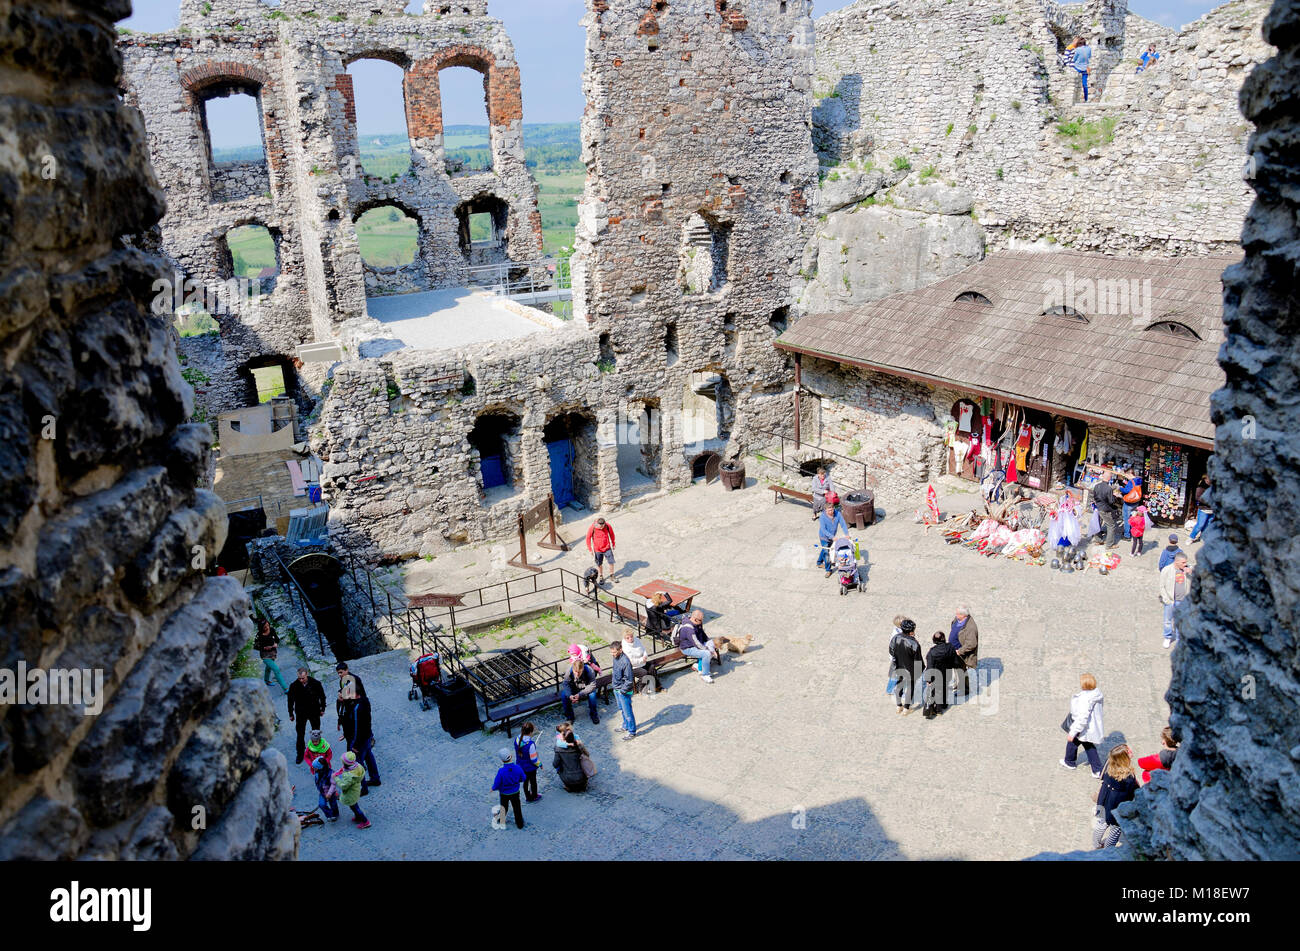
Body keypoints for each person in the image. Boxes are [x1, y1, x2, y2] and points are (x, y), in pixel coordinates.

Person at [1093, 745, 1139, 849]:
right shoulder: (1129, 778)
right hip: (1117, 807)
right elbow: (1132, 794)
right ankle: (1108, 850)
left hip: (1104, 801)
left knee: (1101, 824)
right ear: (1124, 758)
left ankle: (1096, 845)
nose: (1131, 751)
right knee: (1115, 830)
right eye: (1129, 751)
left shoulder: (1109, 766)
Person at [1060, 673, 1106, 777]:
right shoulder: (1096, 694)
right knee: (1083, 744)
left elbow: (1082, 718)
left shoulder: (1085, 699)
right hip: (1089, 727)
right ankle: (1071, 761)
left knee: (1078, 742)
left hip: (1084, 727)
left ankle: (1094, 769)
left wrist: (1073, 732)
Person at [339, 680, 381, 793]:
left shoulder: (357, 708)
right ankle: (375, 778)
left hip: (360, 740)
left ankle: (363, 788)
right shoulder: (364, 700)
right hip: (367, 736)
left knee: (357, 764)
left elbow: (358, 727)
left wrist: (356, 745)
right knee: (369, 756)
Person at [287, 667, 327, 765]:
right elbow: (290, 700)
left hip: (314, 712)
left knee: (316, 732)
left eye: (303, 678)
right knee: (300, 734)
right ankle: (300, 753)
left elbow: (322, 696)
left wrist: (322, 709)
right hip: (301, 713)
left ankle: (317, 750)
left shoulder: (316, 683)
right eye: (299, 678)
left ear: (307, 675)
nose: (301, 680)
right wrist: (291, 713)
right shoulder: (294, 686)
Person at [922, 632, 962, 719]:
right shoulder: (950, 647)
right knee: (945, 688)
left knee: (936, 691)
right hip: (947, 672)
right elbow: (955, 661)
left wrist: (929, 679)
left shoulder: (932, 652)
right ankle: (944, 704)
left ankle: (938, 710)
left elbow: (930, 666)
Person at [889, 619, 923, 715]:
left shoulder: (895, 638)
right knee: (910, 687)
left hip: (899, 666)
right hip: (911, 669)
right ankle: (906, 708)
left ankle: (898, 706)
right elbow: (918, 660)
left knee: (899, 685)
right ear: (911, 631)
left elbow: (891, 651)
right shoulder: (914, 644)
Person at [676, 609, 719, 684]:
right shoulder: (688, 629)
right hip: (688, 648)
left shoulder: (697, 622)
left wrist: (709, 642)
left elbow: (702, 633)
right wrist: (709, 650)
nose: (702, 622)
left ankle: (698, 666)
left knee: (711, 644)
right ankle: (704, 674)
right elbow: (697, 644)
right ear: (695, 619)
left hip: (697, 644)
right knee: (707, 654)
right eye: (701, 620)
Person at [560, 645, 600, 723]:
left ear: (582, 669)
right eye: (575, 672)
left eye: (579, 672)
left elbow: (592, 685)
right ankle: (570, 717)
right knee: (564, 695)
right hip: (574, 688)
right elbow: (565, 684)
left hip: (586, 687)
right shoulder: (569, 671)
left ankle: (594, 714)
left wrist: (580, 694)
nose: (577, 674)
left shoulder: (589, 670)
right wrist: (570, 695)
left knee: (592, 695)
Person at [1159, 553, 1190, 649]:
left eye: (1186, 562)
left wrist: (1191, 572)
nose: (1185, 564)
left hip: (1183, 600)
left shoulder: (1187, 569)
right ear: (1176, 562)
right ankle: (1167, 637)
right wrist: (1166, 599)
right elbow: (1162, 586)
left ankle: (1179, 638)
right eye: (1183, 562)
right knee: (1168, 620)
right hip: (1171, 600)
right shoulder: (1167, 570)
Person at [491, 748, 527, 830]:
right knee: (517, 808)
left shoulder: (501, 771)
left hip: (504, 793)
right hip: (515, 792)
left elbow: (497, 782)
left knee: (504, 807)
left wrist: (493, 788)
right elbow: (523, 778)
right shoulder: (518, 768)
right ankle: (520, 824)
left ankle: (501, 820)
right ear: (511, 756)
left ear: (501, 760)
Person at [948, 605, 980, 697]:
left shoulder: (971, 628)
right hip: (954, 650)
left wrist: (960, 651)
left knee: (961, 670)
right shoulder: (958, 619)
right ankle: (957, 684)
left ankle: (964, 689)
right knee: (956, 668)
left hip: (961, 653)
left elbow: (972, 644)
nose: (956, 615)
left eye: (958, 613)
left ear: (963, 615)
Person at [333, 751, 370, 829]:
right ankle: (358, 817)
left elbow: (343, 786)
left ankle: (365, 821)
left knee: (354, 807)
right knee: (354, 805)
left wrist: (335, 778)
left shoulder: (349, 776)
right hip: (356, 789)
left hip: (350, 794)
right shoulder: (358, 766)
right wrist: (342, 770)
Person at [610, 640, 637, 740]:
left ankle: (632, 732)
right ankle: (625, 725)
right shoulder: (615, 657)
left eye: (614, 652)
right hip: (617, 688)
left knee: (627, 712)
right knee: (622, 709)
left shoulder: (625, 662)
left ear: (620, 650)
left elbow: (629, 680)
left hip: (623, 691)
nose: (612, 654)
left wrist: (622, 691)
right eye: (611, 652)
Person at [254, 618, 289, 694]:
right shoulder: (259, 635)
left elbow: (277, 639)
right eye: (265, 627)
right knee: (276, 669)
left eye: (268, 625)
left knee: (268, 668)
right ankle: (285, 688)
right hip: (265, 655)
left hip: (273, 653)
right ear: (261, 628)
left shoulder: (272, 630)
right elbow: (255, 646)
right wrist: (264, 648)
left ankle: (266, 680)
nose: (267, 627)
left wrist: (276, 643)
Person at [816, 498, 850, 576]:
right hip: (824, 537)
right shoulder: (822, 517)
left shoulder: (838, 514)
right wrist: (832, 537)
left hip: (832, 537)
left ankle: (819, 563)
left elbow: (843, 524)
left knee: (825, 549)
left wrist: (846, 534)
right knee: (827, 553)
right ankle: (828, 569)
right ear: (825, 510)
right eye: (829, 511)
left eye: (832, 510)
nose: (831, 512)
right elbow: (823, 529)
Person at [1091, 471, 1121, 549]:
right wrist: (1115, 496)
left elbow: (1094, 496)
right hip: (1104, 509)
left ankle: (1098, 540)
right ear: (1109, 478)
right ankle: (1109, 545)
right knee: (1111, 525)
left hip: (1097, 507)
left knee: (1098, 523)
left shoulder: (1097, 486)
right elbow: (1111, 502)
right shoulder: (1108, 489)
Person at [514, 722, 543, 803]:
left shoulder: (517, 739)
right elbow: (534, 759)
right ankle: (534, 796)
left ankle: (528, 797)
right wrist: (540, 764)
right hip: (530, 768)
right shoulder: (531, 745)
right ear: (530, 732)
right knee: (533, 782)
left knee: (525, 782)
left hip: (521, 766)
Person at [585, 516, 617, 584]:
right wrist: (590, 549)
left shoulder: (607, 526)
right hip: (598, 550)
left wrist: (613, 543)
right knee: (599, 564)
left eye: (603, 526)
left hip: (607, 548)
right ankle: (601, 576)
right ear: (597, 524)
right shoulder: (592, 527)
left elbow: (611, 534)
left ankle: (612, 575)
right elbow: (588, 538)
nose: (602, 528)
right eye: (600, 526)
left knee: (611, 562)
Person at [311, 754, 339, 822]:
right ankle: (329, 814)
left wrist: (329, 794)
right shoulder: (317, 773)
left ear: (320, 767)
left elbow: (333, 784)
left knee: (333, 804)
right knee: (322, 804)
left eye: (315, 767)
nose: (313, 768)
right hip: (322, 792)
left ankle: (335, 814)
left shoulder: (331, 773)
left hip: (331, 793)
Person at [1189, 475, 1214, 541]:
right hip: (1204, 509)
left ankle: (1202, 537)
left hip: (1212, 510)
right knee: (1200, 525)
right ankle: (1191, 537)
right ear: (1205, 479)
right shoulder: (1201, 487)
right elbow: (1198, 498)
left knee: (1207, 525)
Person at [1120, 472, 1143, 539]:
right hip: (1136, 501)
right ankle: (1133, 532)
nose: (1126, 477)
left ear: (1130, 474)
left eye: (1127, 475)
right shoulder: (1138, 480)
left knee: (1126, 518)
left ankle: (1127, 535)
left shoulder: (1131, 481)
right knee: (1133, 517)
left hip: (1129, 503)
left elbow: (1126, 491)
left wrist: (1120, 488)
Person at [1070, 36, 1093, 102]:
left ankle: (1075, 97)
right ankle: (1086, 99)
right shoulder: (1089, 48)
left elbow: (1074, 59)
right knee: (1084, 84)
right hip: (1085, 68)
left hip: (1077, 67)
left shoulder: (1078, 49)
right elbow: (1089, 56)